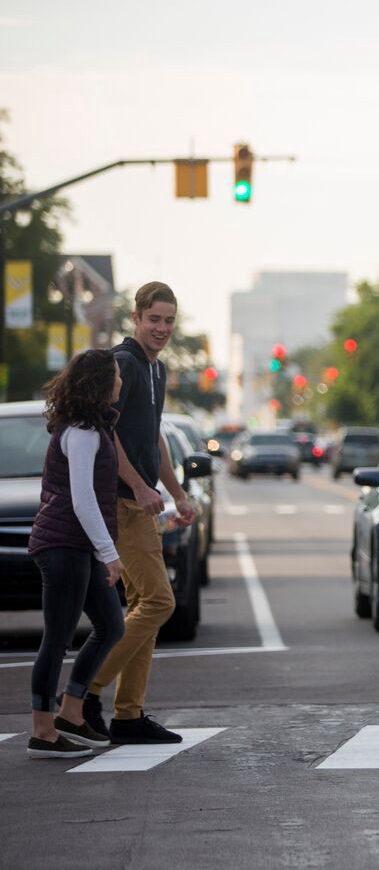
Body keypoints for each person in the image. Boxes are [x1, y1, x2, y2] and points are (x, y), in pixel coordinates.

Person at [82, 282, 195, 744]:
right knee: (159, 602)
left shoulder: (156, 369)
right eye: (155, 319)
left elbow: (153, 440)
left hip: (141, 503)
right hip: (120, 502)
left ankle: (128, 715)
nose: (162, 328)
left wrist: (177, 493)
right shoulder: (124, 364)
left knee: (144, 606)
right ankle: (82, 692)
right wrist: (137, 485)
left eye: (169, 320)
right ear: (136, 318)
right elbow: (105, 436)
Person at [25, 350, 127, 759]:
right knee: (58, 637)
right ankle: (43, 731)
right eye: (116, 375)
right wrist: (111, 553)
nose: (121, 382)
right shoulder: (83, 431)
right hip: (64, 545)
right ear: (101, 382)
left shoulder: (93, 426)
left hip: (77, 544)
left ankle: (71, 712)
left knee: (110, 626)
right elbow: (83, 499)